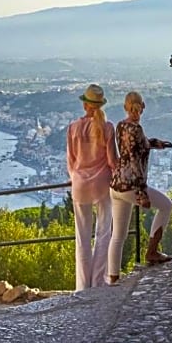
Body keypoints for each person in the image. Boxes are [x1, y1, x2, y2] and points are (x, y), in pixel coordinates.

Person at [107, 91, 172, 283]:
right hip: (131, 186)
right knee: (166, 205)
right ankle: (152, 251)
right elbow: (136, 160)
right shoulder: (136, 129)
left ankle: (113, 278)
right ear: (142, 107)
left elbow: (131, 149)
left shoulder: (121, 125)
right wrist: (142, 192)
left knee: (118, 235)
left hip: (116, 185)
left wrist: (153, 143)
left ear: (125, 107)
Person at [66, 83, 117, 291]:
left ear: (85, 105)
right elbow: (112, 160)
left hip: (80, 185)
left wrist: (77, 176)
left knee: (82, 237)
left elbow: (71, 161)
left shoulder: (73, 128)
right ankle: (98, 282)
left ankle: (82, 286)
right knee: (104, 232)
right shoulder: (107, 127)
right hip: (102, 184)